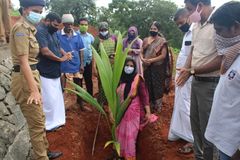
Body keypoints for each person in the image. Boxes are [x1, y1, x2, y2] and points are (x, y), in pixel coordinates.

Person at [10, 0, 62, 159]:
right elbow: (24, 61)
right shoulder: (20, 29)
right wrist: (33, 90)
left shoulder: (30, 29)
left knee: (40, 118)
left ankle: (45, 152)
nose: (39, 14)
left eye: (40, 12)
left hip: (32, 75)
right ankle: (42, 157)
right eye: (36, 11)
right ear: (25, 10)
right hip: (25, 80)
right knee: (37, 125)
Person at [177, 0, 223, 159]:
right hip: (196, 81)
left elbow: (221, 59)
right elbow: (193, 50)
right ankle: (199, 157)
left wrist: (192, 70)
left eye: (189, 9)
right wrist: (187, 68)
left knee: (208, 130)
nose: (188, 13)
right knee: (195, 125)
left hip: (210, 83)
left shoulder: (219, 24)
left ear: (200, 6)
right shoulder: (196, 25)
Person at [205, 2, 240, 160]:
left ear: (235, 26)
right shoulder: (233, 54)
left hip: (234, 148)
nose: (216, 37)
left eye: (219, 30)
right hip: (225, 140)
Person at [36, 12, 71, 131]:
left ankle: (57, 121)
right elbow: (45, 51)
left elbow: (57, 46)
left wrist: (64, 53)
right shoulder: (41, 31)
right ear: (47, 20)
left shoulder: (53, 32)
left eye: (58, 26)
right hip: (45, 71)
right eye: (55, 25)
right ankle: (48, 125)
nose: (57, 28)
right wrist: (60, 59)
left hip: (55, 70)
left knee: (56, 97)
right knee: (48, 100)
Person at [168, 8, 194, 154]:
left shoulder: (196, 31)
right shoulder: (186, 33)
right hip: (180, 74)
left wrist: (187, 71)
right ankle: (178, 131)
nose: (180, 26)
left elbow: (193, 55)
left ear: (189, 17)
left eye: (181, 23)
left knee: (185, 104)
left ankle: (192, 138)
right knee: (178, 102)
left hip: (187, 75)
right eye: (178, 24)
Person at [116, 56, 151, 160]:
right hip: (120, 112)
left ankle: (130, 157)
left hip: (133, 112)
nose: (129, 68)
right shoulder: (119, 78)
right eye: (127, 65)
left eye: (131, 66)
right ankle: (120, 155)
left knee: (130, 137)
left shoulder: (137, 79)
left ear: (135, 67)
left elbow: (144, 96)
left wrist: (148, 112)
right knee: (120, 134)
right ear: (123, 67)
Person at [57, 14, 90, 111]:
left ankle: (80, 104)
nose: (69, 26)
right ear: (63, 24)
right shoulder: (58, 35)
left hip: (76, 64)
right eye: (67, 24)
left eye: (71, 24)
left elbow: (81, 50)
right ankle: (60, 107)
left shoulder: (77, 35)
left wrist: (82, 64)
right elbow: (56, 46)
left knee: (79, 85)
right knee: (62, 86)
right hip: (63, 65)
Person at [141, 21, 169, 113]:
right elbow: (141, 51)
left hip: (157, 68)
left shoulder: (162, 41)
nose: (153, 30)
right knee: (147, 85)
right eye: (151, 28)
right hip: (146, 67)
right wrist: (142, 58)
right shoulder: (145, 40)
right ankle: (149, 105)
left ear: (158, 30)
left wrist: (151, 60)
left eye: (155, 29)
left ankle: (158, 106)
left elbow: (163, 56)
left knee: (157, 86)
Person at [93, 21, 117, 105]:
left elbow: (117, 50)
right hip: (101, 66)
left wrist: (115, 55)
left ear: (108, 29)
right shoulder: (97, 40)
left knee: (112, 83)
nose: (103, 31)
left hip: (112, 65)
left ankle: (109, 101)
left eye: (105, 29)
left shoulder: (114, 38)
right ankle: (101, 101)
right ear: (99, 30)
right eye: (101, 30)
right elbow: (94, 55)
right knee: (102, 84)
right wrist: (94, 67)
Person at [78, 17, 94, 96]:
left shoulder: (90, 37)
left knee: (89, 80)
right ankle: (79, 100)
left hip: (88, 62)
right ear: (79, 25)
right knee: (78, 81)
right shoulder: (75, 35)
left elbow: (92, 49)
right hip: (78, 63)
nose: (84, 26)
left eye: (85, 25)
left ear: (88, 26)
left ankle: (90, 97)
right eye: (82, 24)